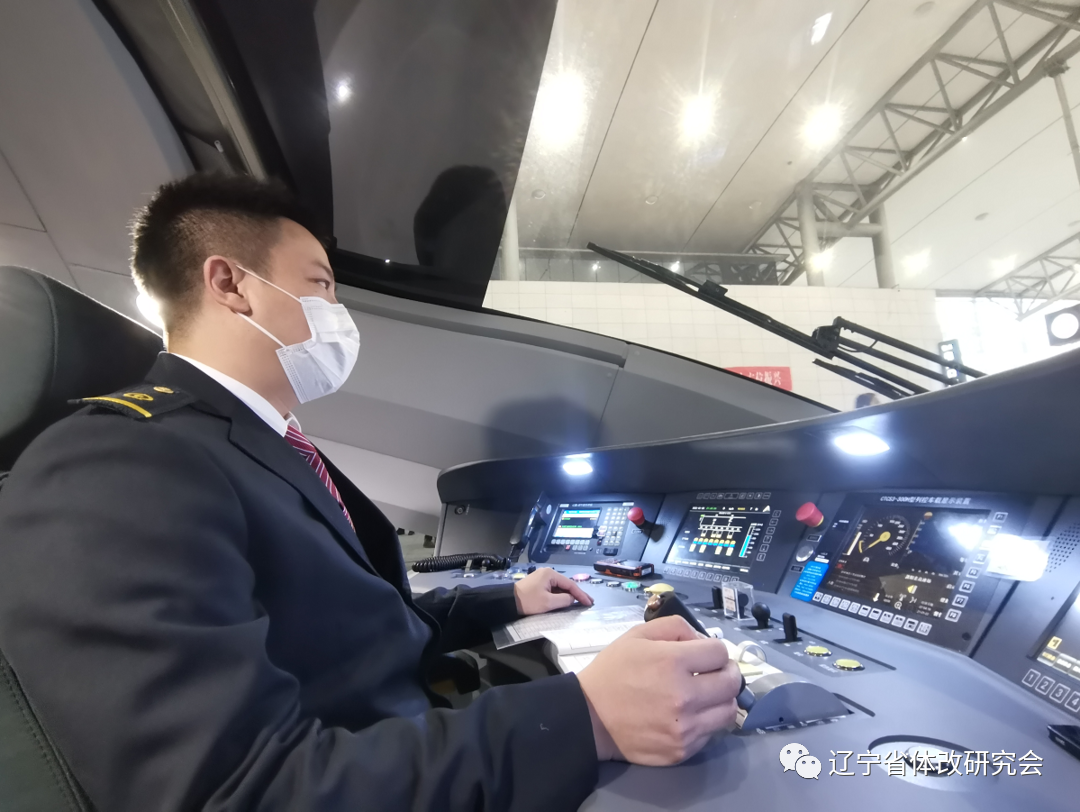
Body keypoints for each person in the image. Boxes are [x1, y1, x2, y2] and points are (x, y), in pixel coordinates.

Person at [0, 172, 741, 812]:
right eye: (321, 284)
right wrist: (583, 720)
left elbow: (347, 631)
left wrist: (504, 600)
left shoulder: (255, 445)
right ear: (229, 284)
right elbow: (239, 790)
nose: (339, 314)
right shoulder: (117, 462)